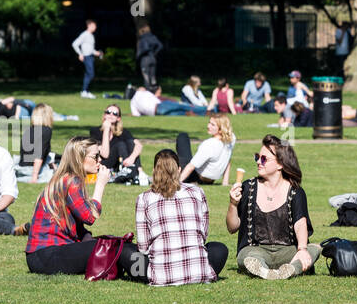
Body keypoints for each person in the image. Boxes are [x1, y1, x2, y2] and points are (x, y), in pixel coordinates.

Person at [23, 136, 144, 278]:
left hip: (43, 255)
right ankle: (145, 275)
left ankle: (143, 271)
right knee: (115, 248)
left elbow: (77, 226)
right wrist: (100, 185)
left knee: (114, 245)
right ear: (79, 158)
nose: (100, 160)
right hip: (46, 256)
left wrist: (93, 241)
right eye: (95, 156)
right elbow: (90, 217)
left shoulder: (66, 179)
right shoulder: (71, 181)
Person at [227, 135, 321, 279]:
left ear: (280, 164)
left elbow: (300, 223)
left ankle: (290, 269)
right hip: (256, 249)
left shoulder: (295, 191)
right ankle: (264, 269)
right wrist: (233, 204)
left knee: (314, 249)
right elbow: (232, 227)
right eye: (257, 157)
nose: (258, 162)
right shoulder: (248, 187)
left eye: (264, 159)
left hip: (287, 250)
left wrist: (302, 249)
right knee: (246, 256)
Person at [135, 149, 230, 285]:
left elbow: (143, 248)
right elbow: (203, 235)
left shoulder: (144, 198)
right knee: (219, 248)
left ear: (155, 171)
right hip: (199, 272)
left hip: (161, 275)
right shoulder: (197, 191)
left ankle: (143, 276)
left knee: (128, 252)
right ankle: (200, 272)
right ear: (179, 169)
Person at [177, 114, 237, 185]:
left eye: (213, 125)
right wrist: (225, 182)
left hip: (197, 177)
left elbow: (191, 166)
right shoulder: (231, 139)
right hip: (211, 179)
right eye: (209, 123)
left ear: (221, 129)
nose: (208, 126)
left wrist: (177, 183)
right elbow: (228, 160)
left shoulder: (209, 144)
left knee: (182, 138)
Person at [89, 105, 143, 181]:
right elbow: (104, 154)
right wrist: (106, 129)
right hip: (104, 163)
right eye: (108, 112)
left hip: (120, 163)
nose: (111, 115)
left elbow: (139, 145)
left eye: (114, 113)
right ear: (104, 115)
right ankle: (131, 173)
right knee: (120, 145)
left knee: (131, 143)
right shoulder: (95, 131)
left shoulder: (122, 132)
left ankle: (139, 172)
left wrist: (131, 158)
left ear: (118, 118)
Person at [16, 103, 55, 183]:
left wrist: (53, 166)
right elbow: (39, 155)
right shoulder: (46, 130)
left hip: (21, 167)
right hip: (31, 170)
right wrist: (34, 177)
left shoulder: (29, 129)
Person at [71, 19, 103, 99]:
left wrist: (97, 53)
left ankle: (86, 91)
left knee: (88, 74)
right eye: (93, 26)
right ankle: (84, 91)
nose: (95, 27)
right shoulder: (84, 34)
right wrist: (80, 54)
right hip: (86, 57)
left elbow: (90, 49)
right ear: (89, 26)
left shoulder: (91, 36)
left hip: (90, 56)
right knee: (91, 74)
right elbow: (75, 44)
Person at [136, 24, 164, 89]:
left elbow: (146, 48)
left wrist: (139, 55)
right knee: (153, 77)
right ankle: (154, 91)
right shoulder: (153, 37)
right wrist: (154, 53)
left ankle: (148, 91)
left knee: (146, 76)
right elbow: (160, 46)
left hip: (145, 59)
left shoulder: (143, 38)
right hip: (153, 58)